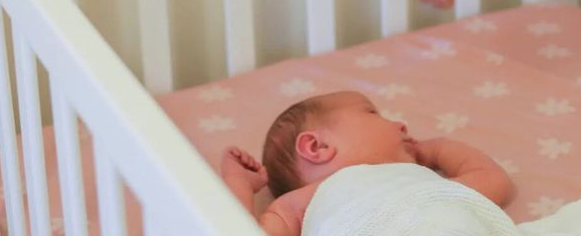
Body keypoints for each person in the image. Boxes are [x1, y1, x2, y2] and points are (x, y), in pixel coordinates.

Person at [220, 90, 515, 236]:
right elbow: (237, 231)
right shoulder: (302, 203)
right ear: (317, 146)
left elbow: (492, 181)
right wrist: (239, 184)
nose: (401, 124)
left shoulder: (420, 183)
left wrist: (437, 149)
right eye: (373, 113)